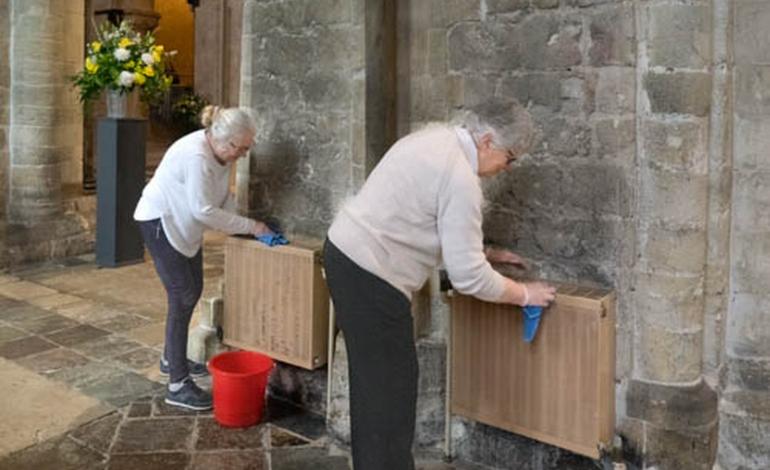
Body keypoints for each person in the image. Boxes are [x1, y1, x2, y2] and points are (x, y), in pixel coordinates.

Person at [323, 101, 556, 469]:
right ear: (487, 140)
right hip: (372, 277)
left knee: (375, 388)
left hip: (346, 256)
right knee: (391, 396)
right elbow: (469, 278)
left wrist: (485, 252)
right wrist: (526, 294)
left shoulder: (432, 138)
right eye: (509, 158)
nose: (504, 169)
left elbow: (415, 219)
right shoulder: (461, 176)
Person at [133, 105, 272, 410]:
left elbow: (222, 198)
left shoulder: (219, 152)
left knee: (192, 290)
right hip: (160, 220)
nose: (244, 154)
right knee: (182, 295)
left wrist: (244, 226)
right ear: (226, 142)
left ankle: (172, 358)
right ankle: (177, 385)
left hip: (183, 226)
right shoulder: (196, 155)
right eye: (243, 148)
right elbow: (203, 210)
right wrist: (253, 226)